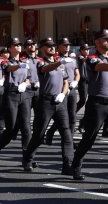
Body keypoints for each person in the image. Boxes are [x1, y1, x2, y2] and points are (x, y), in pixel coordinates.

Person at [71, 29, 108, 185]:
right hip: (97, 103)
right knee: (90, 137)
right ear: (97, 42)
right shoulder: (92, 58)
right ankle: (76, 164)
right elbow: (101, 68)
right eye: (105, 39)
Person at [22, 37, 74, 174]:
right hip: (45, 102)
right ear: (42, 48)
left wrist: (63, 93)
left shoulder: (60, 64)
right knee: (39, 135)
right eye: (48, 46)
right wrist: (58, 63)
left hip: (60, 101)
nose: (51, 48)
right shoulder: (40, 62)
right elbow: (45, 69)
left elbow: (66, 81)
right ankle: (28, 157)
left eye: (53, 46)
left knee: (66, 133)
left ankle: (68, 164)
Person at [0, 38, 33, 164]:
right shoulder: (4, 62)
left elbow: (29, 77)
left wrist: (25, 83)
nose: (19, 47)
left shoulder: (25, 61)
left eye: (20, 45)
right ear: (9, 48)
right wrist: (20, 65)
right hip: (11, 95)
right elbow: (9, 69)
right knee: (11, 129)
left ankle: (27, 158)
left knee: (26, 127)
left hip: (23, 94)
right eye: (15, 45)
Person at [45, 37, 80, 144]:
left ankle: (70, 139)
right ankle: (50, 132)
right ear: (59, 47)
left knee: (72, 115)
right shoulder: (55, 59)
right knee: (62, 117)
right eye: (64, 45)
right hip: (61, 90)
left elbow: (77, 73)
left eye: (68, 45)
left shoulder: (72, 60)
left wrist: (75, 81)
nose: (67, 47)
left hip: (71, 88)